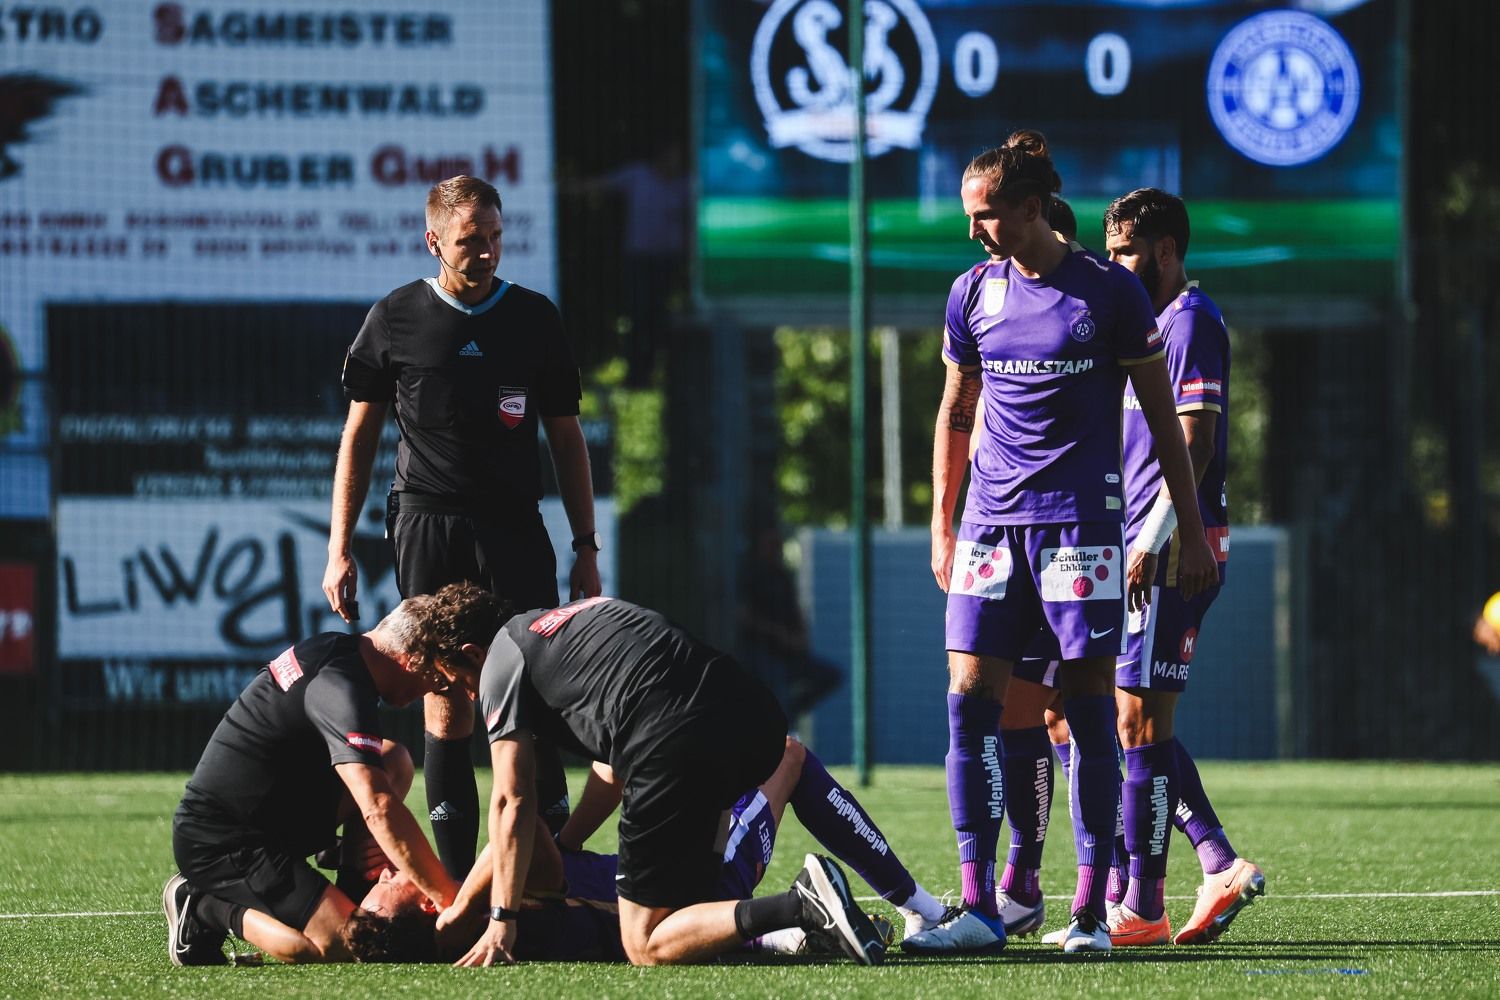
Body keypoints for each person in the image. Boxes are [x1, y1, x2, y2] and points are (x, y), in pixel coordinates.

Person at [918, 131, 1217, 956]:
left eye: (987, 216)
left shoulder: (1110, 294)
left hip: (1079, 530)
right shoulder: (970, 293)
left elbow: (1164, 421)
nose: (975, 231)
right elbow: (955, 410)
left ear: (1032, 208)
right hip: (989, 528)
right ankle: (980, 905)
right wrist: (943, 522)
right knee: (967, 702)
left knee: (1084, 715)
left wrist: (1189, 531)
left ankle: (1088, 913)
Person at [322, 174, 601, 879]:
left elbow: (567, 440)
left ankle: (549, 876)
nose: (486, 253)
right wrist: (338, 549)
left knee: (531, 690)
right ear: (435, 241)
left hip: (514, 527)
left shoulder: (535, 318)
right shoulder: (396, 318)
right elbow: (358, 438)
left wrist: (586, 547)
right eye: (471, 241)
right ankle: (451, 892)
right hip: (428, 527)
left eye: (496, 238)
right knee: (445, 697)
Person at [438, 596, 888, 967]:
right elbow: (607, 769)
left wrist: (485, 915)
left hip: (676, 746)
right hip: (749, 710)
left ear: (472, 654)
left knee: (644, 945)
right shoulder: (564, 622)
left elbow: (513, 806)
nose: (472, 697)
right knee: (704, 898)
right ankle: (875, 912)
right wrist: (569, 842)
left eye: (459, 682)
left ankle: (799, 906)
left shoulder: (503, 663)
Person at [343, 736, 948, 962]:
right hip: (695, 893)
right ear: (428, 909)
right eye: (383, 888)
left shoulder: (482, 916)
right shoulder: (489, 908)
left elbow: (548, 843)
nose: (384, 875)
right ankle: (916, 905)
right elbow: (523, 831)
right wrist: (461, 900)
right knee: (787, 755)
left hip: (668, 887)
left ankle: (778, 938)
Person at [163, 582, 512, 966]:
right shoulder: (341, 685)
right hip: (225, 841)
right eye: (437, 680)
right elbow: (377, 806)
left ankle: (355, 886)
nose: (433, 690)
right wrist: (449, 899)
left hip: (272, 815)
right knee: (339, 946)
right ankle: (200, 903)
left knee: (393, 760)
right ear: (412, 661)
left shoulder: (345, 658)